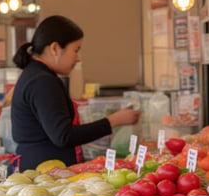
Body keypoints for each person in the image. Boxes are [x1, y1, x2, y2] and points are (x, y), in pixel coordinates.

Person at [10, 15, 140, 170]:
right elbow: (63, 136)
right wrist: (113, 121)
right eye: (76, 50)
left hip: (42, 168)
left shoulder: (36, 75)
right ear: (55, 48)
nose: (78, 58)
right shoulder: (43, 82)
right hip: (45, 172)